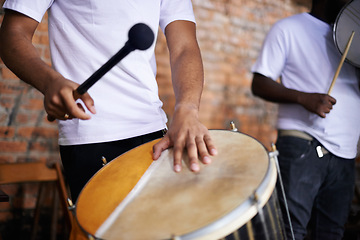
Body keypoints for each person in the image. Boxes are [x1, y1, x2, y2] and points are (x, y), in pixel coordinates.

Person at [0, 0, 217, 202]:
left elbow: (184, 47)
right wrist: (50, 82)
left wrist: (188, 108)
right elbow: (13, 33)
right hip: (93, 137)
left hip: (155, 131)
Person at [251, 0, 360, 239]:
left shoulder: (353, 37)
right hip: (303, 145)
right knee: (290, 230)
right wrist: (303, 98)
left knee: (332, 233)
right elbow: (259, 82)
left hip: (346, 152)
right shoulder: (288, 28)